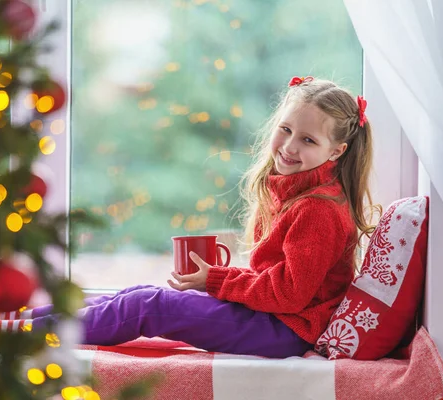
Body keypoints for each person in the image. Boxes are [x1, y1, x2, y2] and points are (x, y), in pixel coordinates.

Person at [77, 76, 377, 358]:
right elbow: (273, 281)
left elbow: (288, 294)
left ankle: (39, 332)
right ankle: (31, 319)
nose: (289, 146)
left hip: (289, 330)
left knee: (147, 307)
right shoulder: (293, 194)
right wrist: (217, 280)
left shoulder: (318, 210)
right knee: (140, 294)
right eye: (285, 129)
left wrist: (216, 280)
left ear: (337, 151)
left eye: (308, 140)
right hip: (275, 320)